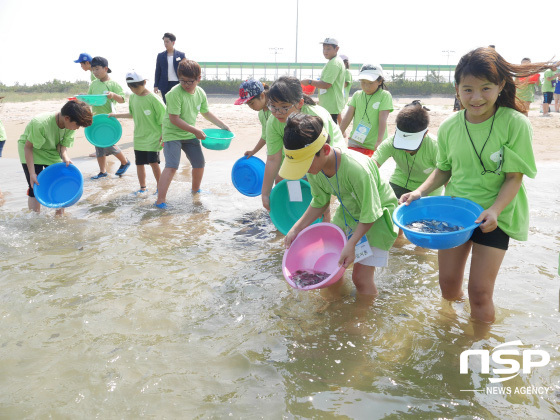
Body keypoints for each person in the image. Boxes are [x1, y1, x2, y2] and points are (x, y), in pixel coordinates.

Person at [400, 47, 553, 323]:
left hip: (495, 216)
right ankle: (453, 335)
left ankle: (481, 346)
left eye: (485, 88)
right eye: (468, 89)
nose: (476, 97)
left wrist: (494, 210)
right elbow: (443, 169)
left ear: (500, 86)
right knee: (447, 286)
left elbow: (513, 178)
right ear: (457, 88)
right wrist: (420, 191)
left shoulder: (515, 124)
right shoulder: (448, 127)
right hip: (455, 215)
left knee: (480, 292)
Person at [282, 113, 398, 297]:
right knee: (329, 269)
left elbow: (371, 213)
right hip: (349, 212)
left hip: (377, 217)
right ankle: (336, 305)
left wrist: (352, 243)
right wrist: (297, 228)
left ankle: (361, 319)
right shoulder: (314, 168)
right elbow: (320, 201)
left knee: (360, 279)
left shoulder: (357, 170)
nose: (304, 170)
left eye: (305, 163)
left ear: (326, 150)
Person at [262, 76, 347, 213]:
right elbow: (273, 159)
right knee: (281, 180)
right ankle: (294, 213)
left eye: (284, 107)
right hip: (299, 154)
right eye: (273, 106)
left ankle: (319, 213)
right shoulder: (273, 122)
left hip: (327, 155)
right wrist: (265, 193)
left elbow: (320, 159)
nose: (277, 113)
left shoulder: (314, 117)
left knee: (315, 186)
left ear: (300, 103)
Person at [155, 59, 231, 209]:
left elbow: (206, 112)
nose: (186, 85)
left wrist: (223, 125)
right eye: (182, 81)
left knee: (199, 163)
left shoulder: (200, 92)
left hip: (189, 133)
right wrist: (195, 130)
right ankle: (160, 201)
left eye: (190, 81)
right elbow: (174, 119)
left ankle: (195, 190)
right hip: (172, 133)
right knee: (171, 166)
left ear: (198, 79)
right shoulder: (174, 94)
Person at [18, 100, 92, 215]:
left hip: (52, 151)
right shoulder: (41, 123)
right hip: (31, 151)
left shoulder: (69, 126)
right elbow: (28, 147)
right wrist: (32, 173)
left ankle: (59, 217)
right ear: (67, 118)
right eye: (77, 125)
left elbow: (61, 146)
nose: (77, 128)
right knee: (34, 186)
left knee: (59, 181)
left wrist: (65, 157)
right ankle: (34, 220)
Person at [109, 71, 165, 194]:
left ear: (144, 83)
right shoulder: (133, 97)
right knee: (139, 163)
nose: (134, 90)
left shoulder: (154, 99)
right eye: (130, 88)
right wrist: (116, 115)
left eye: (136, 87)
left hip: (154, 137)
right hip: (139, 137)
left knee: (153, 162)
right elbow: (132, 114)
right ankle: (142, 188)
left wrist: (164, 135)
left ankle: (160, 188)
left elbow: (164, 119)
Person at [88, 56, 131, 179]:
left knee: (108, 143)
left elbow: (122, 99)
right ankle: (102, 171)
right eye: (93, 70)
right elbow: (90, 99)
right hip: (96, 118)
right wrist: (83, 98)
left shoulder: (113, 84)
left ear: (105, 68)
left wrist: (113, 95)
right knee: (98, 145)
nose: (94, 72)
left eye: (97, 69)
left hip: (109, 118)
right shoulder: (93, 84)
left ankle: (124, 161)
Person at [340, 64, 393, 157]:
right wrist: (339, 133)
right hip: (355, 141)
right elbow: (348, 116)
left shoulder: (384, 95)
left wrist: (379, 141)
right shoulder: (357, 95)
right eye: (363, 82)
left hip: (374, 144)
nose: (366, 86)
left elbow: (382, 119)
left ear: (380, 81)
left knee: (370, 170)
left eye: (370, 83)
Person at [301, 38, 346, 123]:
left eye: (328, 49)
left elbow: (326, 84)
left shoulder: (334, 63)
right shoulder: (332, 62)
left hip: (331, 104)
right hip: (330, 103)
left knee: (329, 129)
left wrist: (310, 82)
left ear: (336, 49)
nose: (325, 51)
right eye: (324, 48)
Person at [234, 79, 271, 158]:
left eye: (251, 103)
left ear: (262, 96)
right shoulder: (261, 114)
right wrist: (253, 151)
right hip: (274, 155)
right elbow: (265, 136)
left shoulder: (278, 111)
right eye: (248, 104)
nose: (251, 107)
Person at [154, 33, 186, 104]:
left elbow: (185, 70)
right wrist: (155, 85)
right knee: (166, 103)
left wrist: (185, 82)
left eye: (167, 42)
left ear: (173, 42)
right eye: (164, 42)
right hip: (164, 83)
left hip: (177, 83)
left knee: (177, 102)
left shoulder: (181, 55)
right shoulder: (160, 56)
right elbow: (158, 71)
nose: (165, 44)